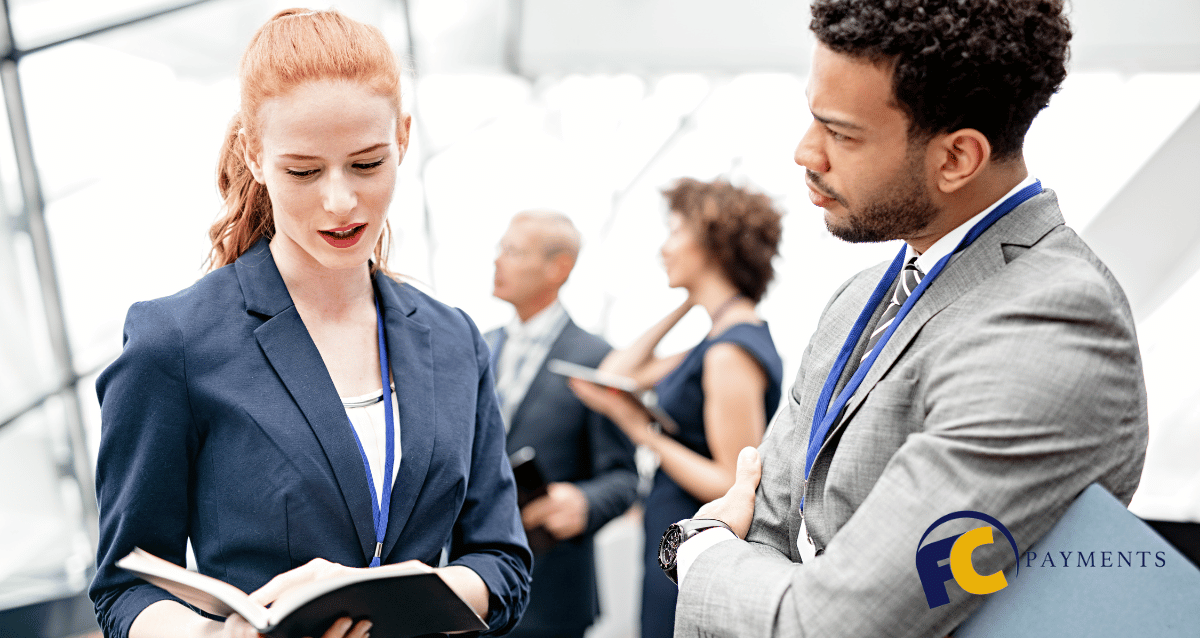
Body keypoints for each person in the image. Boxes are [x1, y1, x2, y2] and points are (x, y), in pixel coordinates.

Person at [666, 1, 1150, 636]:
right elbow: (770, 521)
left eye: (841, 133)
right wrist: (755, 561)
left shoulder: (1054, 323)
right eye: (812, 117)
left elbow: (838, 623)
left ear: (956, 159)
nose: (805, 152)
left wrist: (696, 549)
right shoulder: (861, 295)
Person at [89, 9, 531, 638]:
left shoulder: (453, 340)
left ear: (403, 137)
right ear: (253, 151)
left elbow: (502, 561)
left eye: (368, 163)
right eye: (303, 171)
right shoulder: (177, 341)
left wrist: (391, 598)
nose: (341, 202)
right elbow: (128, 584)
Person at [568, 177, 784, 638]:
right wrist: (692, 298)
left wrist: (641, 431)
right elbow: (614, 376)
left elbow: (733, 480)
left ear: (710, 243)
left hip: (698, 546)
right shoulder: (714, 341)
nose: (663, 248)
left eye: (675, 232)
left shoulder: (730, 352)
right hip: (674, 538)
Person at [485, 210, 639, 638]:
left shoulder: (597, 359)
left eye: (513, 252)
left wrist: (583, 502)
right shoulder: (477, 346)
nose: (497, 261)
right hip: (471, 593)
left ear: (559, 268)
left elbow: (624, 478)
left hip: (550, 596)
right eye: (500, 248)